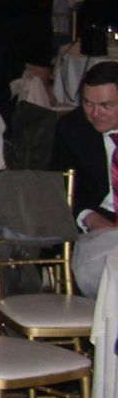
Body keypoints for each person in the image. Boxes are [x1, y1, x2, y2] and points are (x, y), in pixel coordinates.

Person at [47, 61, 118, 293]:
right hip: (99, 222)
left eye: (106, 105)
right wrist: (89, 218)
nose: (95, 113)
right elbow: (58, 186)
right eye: (88, 103)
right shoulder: (72, 129)